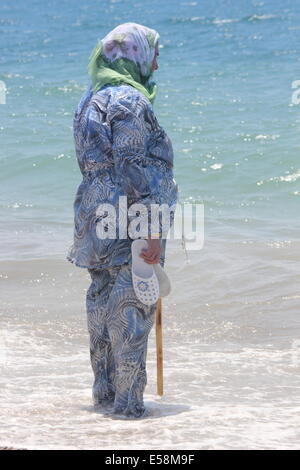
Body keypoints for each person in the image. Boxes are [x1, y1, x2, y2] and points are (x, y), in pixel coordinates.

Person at [67, 22, 178, 418]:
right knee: (133, 302)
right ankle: (129, 411)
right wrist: (150, 231)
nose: (157, 66)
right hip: (129, 215)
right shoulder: (131, 101)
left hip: (94, 212)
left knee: (100, 298)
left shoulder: (89, 99)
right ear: (136, 54)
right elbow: (135, 167)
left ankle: (106, 397)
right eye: (155, 56)